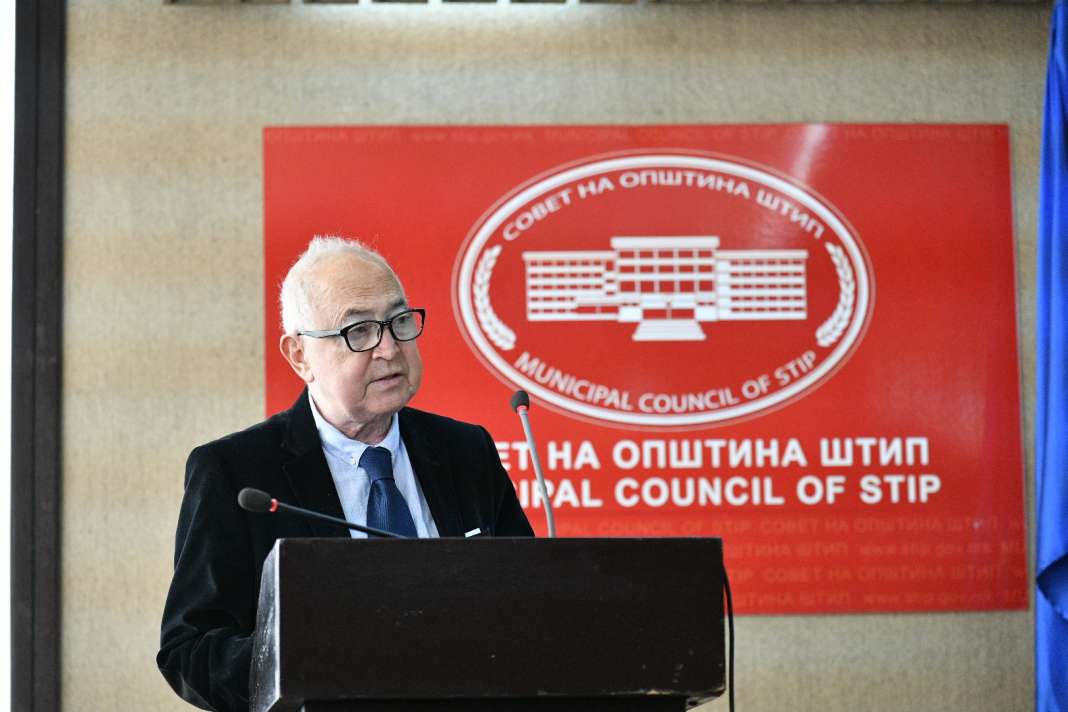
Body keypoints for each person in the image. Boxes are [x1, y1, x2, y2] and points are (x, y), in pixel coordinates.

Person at [157, 236, 533, 712]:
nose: (389, 348)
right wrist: (309, 662)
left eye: (399, 321)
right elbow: (189, 650)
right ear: (300, 356)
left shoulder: (466, 451)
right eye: (359, 331)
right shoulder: (236, 473)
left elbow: (528, 603)